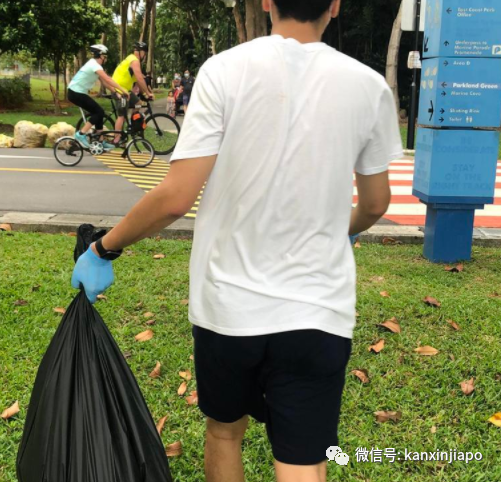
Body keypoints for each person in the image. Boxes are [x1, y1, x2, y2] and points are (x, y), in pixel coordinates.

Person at [72, 0, 402, 481]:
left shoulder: (226, 69)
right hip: (318, 308)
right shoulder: (369, 86)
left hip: (227, 307)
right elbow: (374, 204)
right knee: (302, 460)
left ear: (267, 1)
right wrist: (340, 231)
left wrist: (104, 248)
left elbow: (174, 198)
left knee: (225, 433)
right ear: (334, 5)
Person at [67, 44, 129, 150]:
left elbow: (105, 82)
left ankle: (100, 141)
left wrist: (116, 92)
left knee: (100, 112)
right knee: (99, 112)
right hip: (75, 93)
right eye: (105, 56)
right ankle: (81, 134)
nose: (106, 58)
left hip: (77, 92)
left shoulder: (94, 65)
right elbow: (109, 79)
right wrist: (124, 90)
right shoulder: (95, 65)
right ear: (100, 56)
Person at [111, 41, 154, 145]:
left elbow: (139, 80)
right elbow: (139, 78)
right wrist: (148, 94)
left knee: (139, 103)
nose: (145, 55)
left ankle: (131, 124)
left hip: (126, 90)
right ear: (141, 52)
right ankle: (117, 139)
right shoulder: (134, 61)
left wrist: (145, 93)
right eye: (145, 53)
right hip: (118, 91)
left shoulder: (132, 59)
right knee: (121, 115)